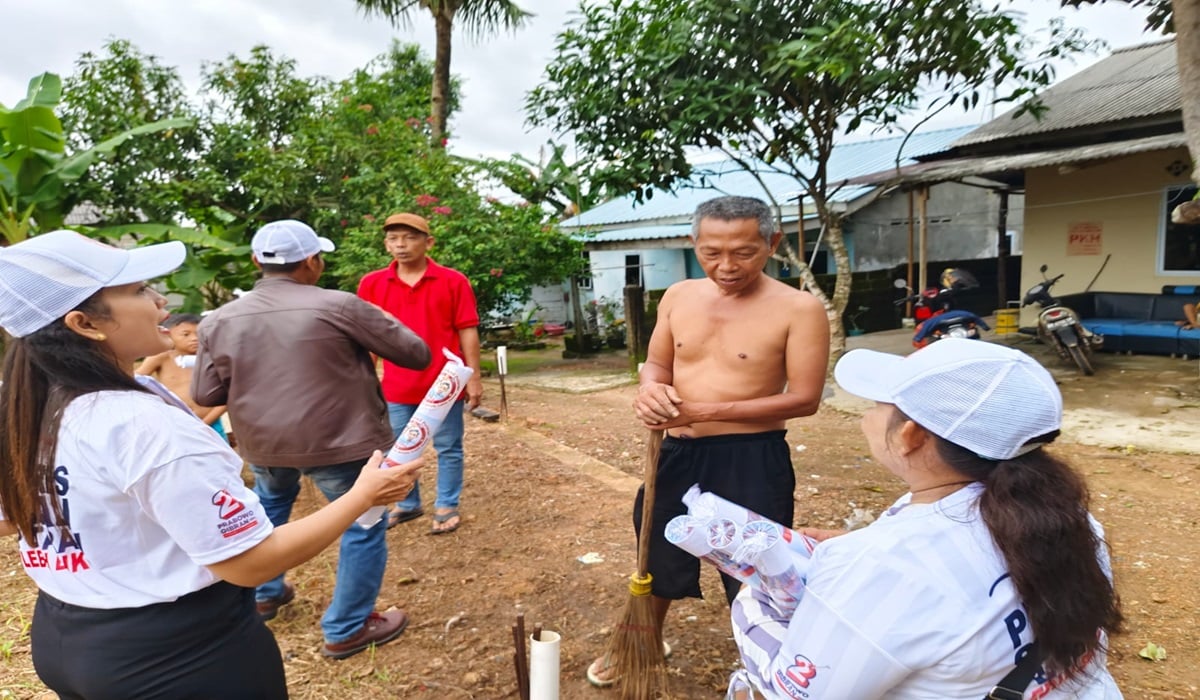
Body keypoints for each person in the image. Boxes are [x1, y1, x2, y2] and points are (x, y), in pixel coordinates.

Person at [0, 230, 423, 699]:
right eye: (139, 290)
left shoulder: (22, 407)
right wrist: (364, 495)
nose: (161, 301)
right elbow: (249, 563)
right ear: (85, 323)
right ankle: (348, 624)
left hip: (65, 630)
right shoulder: (139, 423)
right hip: (176, 654)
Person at [727, 338, 1123, 699]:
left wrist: (758, 584)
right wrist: (854, 551)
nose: (868, 415)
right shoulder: (1065, 518)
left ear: (910, 436)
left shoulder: (886, 565)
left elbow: (799, 692)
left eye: (880, 405)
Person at [586, 195, 830, 686]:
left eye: (743, 252)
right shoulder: (678, 295)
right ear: (693, 242)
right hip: (675, 451)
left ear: (772, 243)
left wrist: (706, 411)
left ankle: (772, 659)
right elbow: (657, 363)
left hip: (751, 457)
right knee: (653, 548)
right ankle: (642, 642)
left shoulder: (799, 308)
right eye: (711, 251)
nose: (726, 265)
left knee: (755, 564)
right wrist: (650, 389)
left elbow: (805, 398)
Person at [192, 219, 432, 659]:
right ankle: (346, 627)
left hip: (263, 445)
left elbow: (205, 394)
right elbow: (416, 353)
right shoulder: (340, 305)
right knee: (362, 524)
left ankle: (264, 593)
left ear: (256, 263)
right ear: (312, 261)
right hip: (344, 443)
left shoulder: (218, 320)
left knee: (266, 513)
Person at [356, 212, 483, 534]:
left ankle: (447, 503)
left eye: (409, 238)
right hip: (396, 386)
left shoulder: (453, 281)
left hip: (445, 385)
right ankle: (408, 503)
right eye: (393, 238)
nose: (400, 245)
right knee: (398, 449)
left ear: (428, 243)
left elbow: (467, 329)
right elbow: (367, 337)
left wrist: (474, 378)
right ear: (385, 244)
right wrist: (364, 382)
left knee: (449, 447)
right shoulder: (372, 284)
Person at [136, 313, 229, 442]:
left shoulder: (213, 358)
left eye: (198, 333)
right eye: (186, 334)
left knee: (220, 458)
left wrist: (204, 423)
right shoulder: (162, 357)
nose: (194, 338)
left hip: (211, 424)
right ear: (167, 335)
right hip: (177, 424)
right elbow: (136, 380)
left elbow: (227, 396)